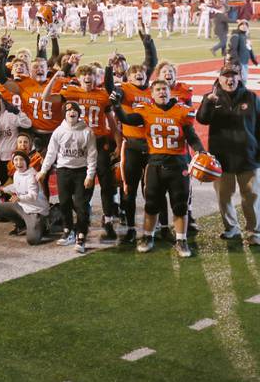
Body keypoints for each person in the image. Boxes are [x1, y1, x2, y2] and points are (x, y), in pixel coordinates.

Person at [111, 80, 205, 257]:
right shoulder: (145, 110)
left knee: (180, 205)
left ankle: (181, 240)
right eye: (158, 90)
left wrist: (202, 151)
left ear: (170, 92)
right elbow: (126, 119)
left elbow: (191, 136)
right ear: (152, 95)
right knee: (152, 204)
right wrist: (116, 106)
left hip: (178, 165)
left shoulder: (182, 110)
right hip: (154, 164)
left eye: (165, 89)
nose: (162, 92)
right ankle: (148, 236)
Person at [196, 64, 260, 245]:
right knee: (224, 197)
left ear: (239, 77)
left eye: (234, 75)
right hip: (221, 159)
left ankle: (255, 231)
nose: (230, 79)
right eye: (226, 76)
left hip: (248, 157)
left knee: (252, 197)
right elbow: (202, 119)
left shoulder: (251, 97)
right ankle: (231, 228)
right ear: (220, 78)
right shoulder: (211, 98)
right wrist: (208, 101)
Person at [37, 101, 97, 253]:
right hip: (63, 171)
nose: (71, 112)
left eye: (74, 110)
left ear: (79, 113)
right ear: (64, 113)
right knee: (64, 203)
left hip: (81, 171)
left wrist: (90, 175)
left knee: (81, 205)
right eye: (68, 110)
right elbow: (51, 153)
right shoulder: (58, 131)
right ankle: (68, 230)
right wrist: (44, 171)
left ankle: (81, 235)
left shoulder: (87, 131)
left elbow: (92, 155)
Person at [0, 151, 49, 245]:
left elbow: (33, 196)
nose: (18, 163)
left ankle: (45, 222)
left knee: (32, 240)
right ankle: (22, 225)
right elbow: (16, 185)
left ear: (27, 161)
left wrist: (19, 198)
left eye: (21, 159)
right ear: (13, 162)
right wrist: (4, 189)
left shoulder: (32, 176)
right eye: (16, 160)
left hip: (35, 210)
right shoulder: (17, 173)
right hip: (23, 206)